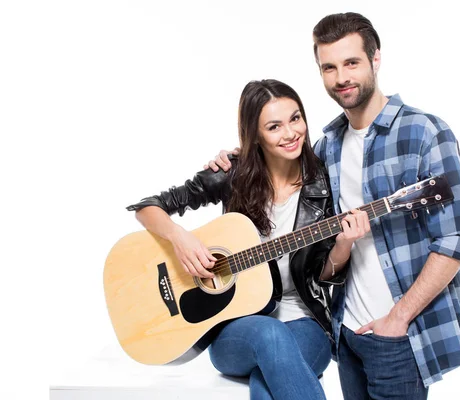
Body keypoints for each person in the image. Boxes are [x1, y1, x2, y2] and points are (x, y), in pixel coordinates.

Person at [206, 12, 460, 400]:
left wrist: (398, 318)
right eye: (329, 67)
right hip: (345, 331)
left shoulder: (423, 132)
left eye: (351, 62)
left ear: (375, 58)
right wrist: (236, 159)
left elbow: (459, 236)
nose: (341, 78)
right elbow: (277, 174)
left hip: (398, 335)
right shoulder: (325, 147)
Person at [127, 79, 370, 400]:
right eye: (274, 126)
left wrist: (344, 244)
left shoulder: (323, 182)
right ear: (254, 134)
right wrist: (180, 239)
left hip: (305, 323)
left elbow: (321, 274)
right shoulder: (232, 173)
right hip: (238, 330)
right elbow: (147, 208)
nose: (291, 133)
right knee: (269, 336)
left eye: (296, 118)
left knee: (267, 384)